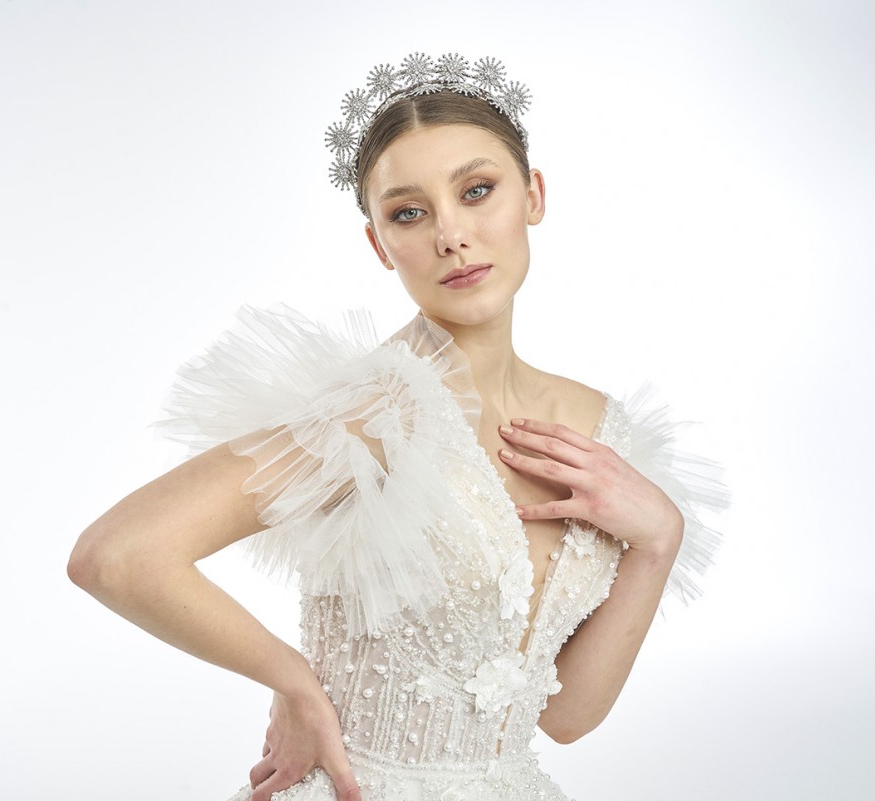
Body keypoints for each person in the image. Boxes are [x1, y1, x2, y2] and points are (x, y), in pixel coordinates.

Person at [68, 53, 727, 801]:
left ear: (534, 195)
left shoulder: (600, 428)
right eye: (409, 213)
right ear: (380, 244)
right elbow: (117, 555)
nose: (452, 235)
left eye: (476, 191)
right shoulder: (376, 410)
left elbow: (567, 716)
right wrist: (294, 681)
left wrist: (660, 538)